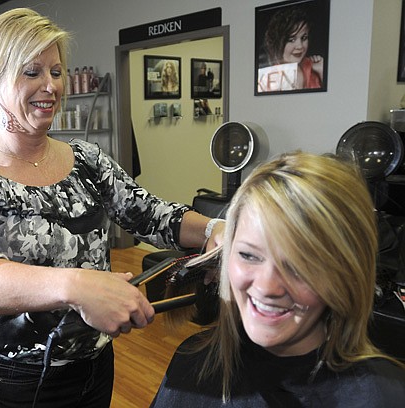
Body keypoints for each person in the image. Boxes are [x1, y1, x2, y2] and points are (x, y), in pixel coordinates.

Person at [0, 7, 224, 408]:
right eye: (31, 72)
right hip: (23, 378)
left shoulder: (88, 160)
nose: (50, 86)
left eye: (56, 72)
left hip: (96, 363)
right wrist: (76, 286)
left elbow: (150, 212)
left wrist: (215, 229)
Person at [151, 152, 405, 407]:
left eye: (299, 264)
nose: (266, 287)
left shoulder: (382, 396)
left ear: (346, 273)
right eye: (248, 255)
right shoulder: (191, 366)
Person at [260, 7, 323, 90]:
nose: (300, 46)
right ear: (278, 42)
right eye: (292, 40)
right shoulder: (267, 77)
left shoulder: (313, 67)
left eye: (304, 38)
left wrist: (322, 71)